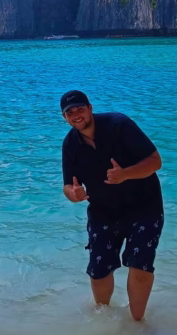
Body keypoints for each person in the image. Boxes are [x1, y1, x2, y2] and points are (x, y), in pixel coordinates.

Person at [60, 90, 163, 321]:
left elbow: (156, 162)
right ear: (64, 117)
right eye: (69, 112)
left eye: (80, 108)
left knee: (141, 266)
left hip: (144, 207)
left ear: (90, 108)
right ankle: (103, 321)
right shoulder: (70, 145)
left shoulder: (119, 125)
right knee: (99, 271)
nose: (76, 115)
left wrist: (125, 174)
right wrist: (74, 194)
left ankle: (137, 325)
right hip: (103, 212)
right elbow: (67, 186)